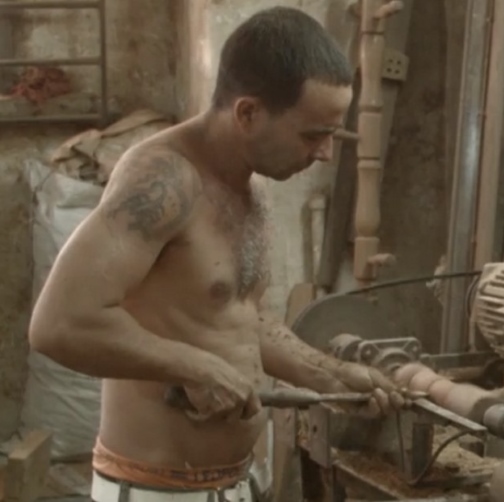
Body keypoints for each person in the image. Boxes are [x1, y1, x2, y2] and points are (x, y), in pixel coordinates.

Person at [28, 7, 407, 502]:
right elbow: (59, 323)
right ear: (247, 113)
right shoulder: (164, 181)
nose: (324, 154)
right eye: (313, 134)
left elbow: (239, 316)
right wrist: (195, 366)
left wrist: (331, 375)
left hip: (239, 480)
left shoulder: (250, 186)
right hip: (157, 491)